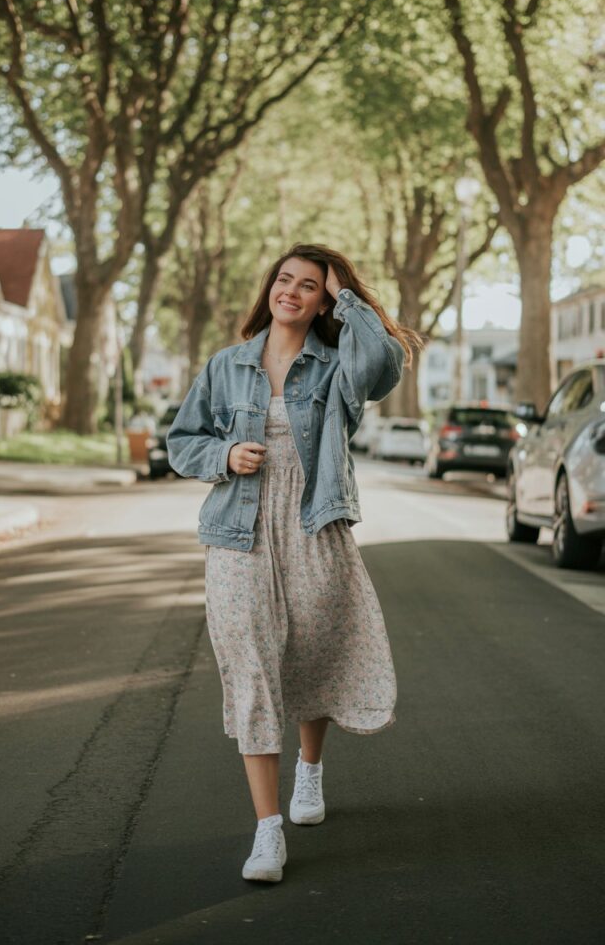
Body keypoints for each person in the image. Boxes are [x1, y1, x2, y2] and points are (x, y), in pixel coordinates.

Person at [166, 242, 421, 883]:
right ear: (269, 288)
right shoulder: (226, 366)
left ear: (321, 300)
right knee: (252, 668)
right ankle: (267, 829)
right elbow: (181, 441)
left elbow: (387, 361)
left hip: (312, 522)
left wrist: (348, 295)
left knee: (309, 651)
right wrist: (223, 457)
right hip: (238, 531)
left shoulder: (339, 367)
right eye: (285, 279)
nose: (293, 292)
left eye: (310, 286)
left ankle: (309, 772)